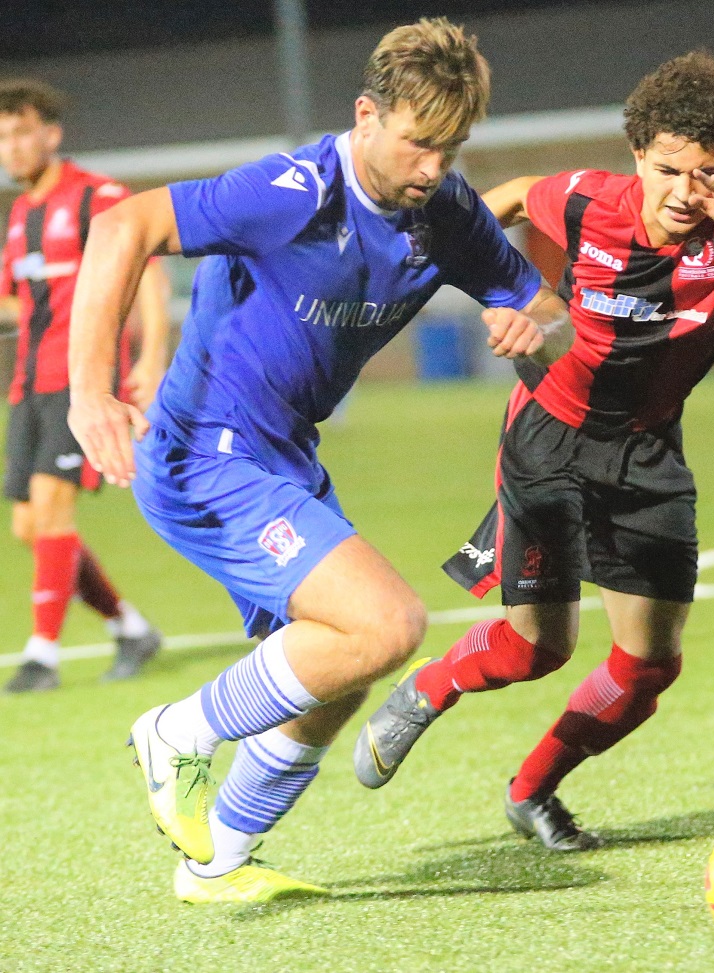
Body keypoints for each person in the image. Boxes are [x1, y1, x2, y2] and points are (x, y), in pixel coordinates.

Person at [67, 18, 573, 903]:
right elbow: (121, 226)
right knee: (387, 624)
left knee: (335, 672)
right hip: (204, 450)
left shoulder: (444, 211)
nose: (433, 168)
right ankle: (177, 731)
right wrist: (89, 390)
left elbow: (549, 309)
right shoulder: (293, 189)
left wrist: (537, 328)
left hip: (284, 457)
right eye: (419, 144)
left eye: (451, 149)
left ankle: (218, 860)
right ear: (366, 115)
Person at [355, 51, 714, 851]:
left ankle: (531, 791)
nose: (684, 191)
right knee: (539, 646)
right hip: (547, 438)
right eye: (668, 169)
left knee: (647, 668)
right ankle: (428, 687)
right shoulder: (585, 200)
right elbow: (498, 201)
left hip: (646, 456)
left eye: (706, 174)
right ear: (637, 155)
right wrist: (419, 259)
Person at [0, 80, 168, 692]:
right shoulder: (21, 215)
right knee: (29, 527)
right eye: (1, 137)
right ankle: (129, 627)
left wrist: (152, 356)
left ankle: (42, 655)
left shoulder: (98, 196)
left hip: (82, 382)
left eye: (20, 132)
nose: (10, 148)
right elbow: (18, 302)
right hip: (27, 383)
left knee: (51, 509)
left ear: (51, 133)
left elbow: (146, 271)